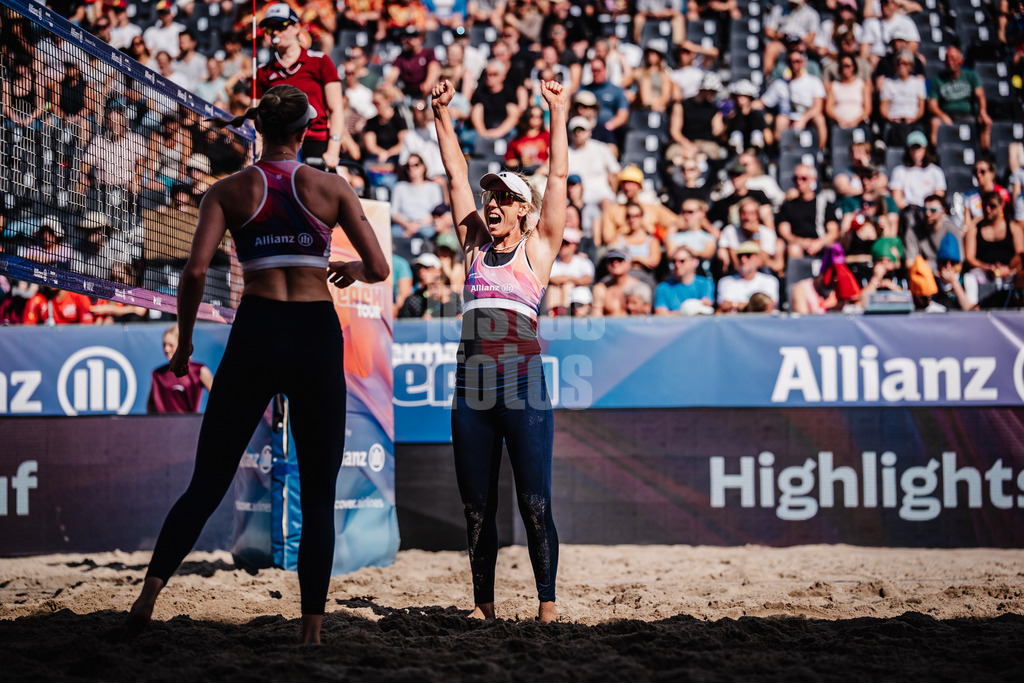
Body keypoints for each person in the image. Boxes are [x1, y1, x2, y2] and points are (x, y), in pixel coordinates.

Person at [127, 85, 389, 645]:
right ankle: (312, 633)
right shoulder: (331, 186)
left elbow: (195, 273)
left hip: (257, 330)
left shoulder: (227, 190)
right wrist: (355, 275)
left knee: (207, 482)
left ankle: (147, 598)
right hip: (315, 334)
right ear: (305, 132)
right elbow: (380, 267)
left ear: (258, 131)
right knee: (319, 494)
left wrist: (184, 343)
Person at [431, 77, 568, 624]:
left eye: (507, 198)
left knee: (534, 504)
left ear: (524, 212)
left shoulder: (539, 248)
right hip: (473, 390)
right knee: (476, 508)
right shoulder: (472, 247)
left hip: (523, 389)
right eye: (493, 196)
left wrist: (557, 112)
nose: (494, 203)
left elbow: (557, 175)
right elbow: (454, 174)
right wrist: (440, 114)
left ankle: (547, 607)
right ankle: (483, 609)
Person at [256, 4, 345, 170]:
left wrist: (333, 149)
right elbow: (256, 115)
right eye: (270, 28)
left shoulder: (320, 61)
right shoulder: (263, 71)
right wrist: (256, 148)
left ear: (297, 27)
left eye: (280, 26)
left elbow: (336, 109)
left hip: (316, 141)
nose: (275, 32)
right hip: (279, 143)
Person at [148, 326, 214, 413]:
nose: (166, 349)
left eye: (171, 345)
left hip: (189, 424)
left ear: (182, 346)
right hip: (164, 425)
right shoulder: (158, 374)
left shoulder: (200, 370)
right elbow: (150, 405)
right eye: (164, 345)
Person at [716, 241, 781, 312]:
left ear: (758, 259)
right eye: (740, 256)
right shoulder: (725, 282)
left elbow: (769, 306)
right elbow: (723, 305)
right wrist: (755, 306)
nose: (743, 260)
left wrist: (735, 304)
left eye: (748, 255)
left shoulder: (770, 281)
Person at [654, 246, 715, 315]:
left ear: (695, 262)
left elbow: (706, 305)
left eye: (682, 261)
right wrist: (686, 312)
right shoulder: (663, 287)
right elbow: (661, 314)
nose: (677, 265)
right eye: (674, 261)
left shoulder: (705, 283)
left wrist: (674, 314)